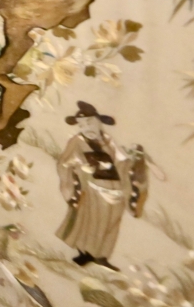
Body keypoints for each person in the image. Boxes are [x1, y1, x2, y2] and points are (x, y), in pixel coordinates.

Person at [56, 101, 148, 272]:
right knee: (89, 222)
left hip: (115, 190)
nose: (86, 128)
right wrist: (81, 166)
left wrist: (134, 160)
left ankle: (102, 256)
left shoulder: (109, 141)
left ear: (99, 122)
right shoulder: (77, 142)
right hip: (92, 189)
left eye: (89, 122)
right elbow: (64, 163)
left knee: (110, 225)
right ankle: (85, 253)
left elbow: (122, 161)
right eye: (81, 125)